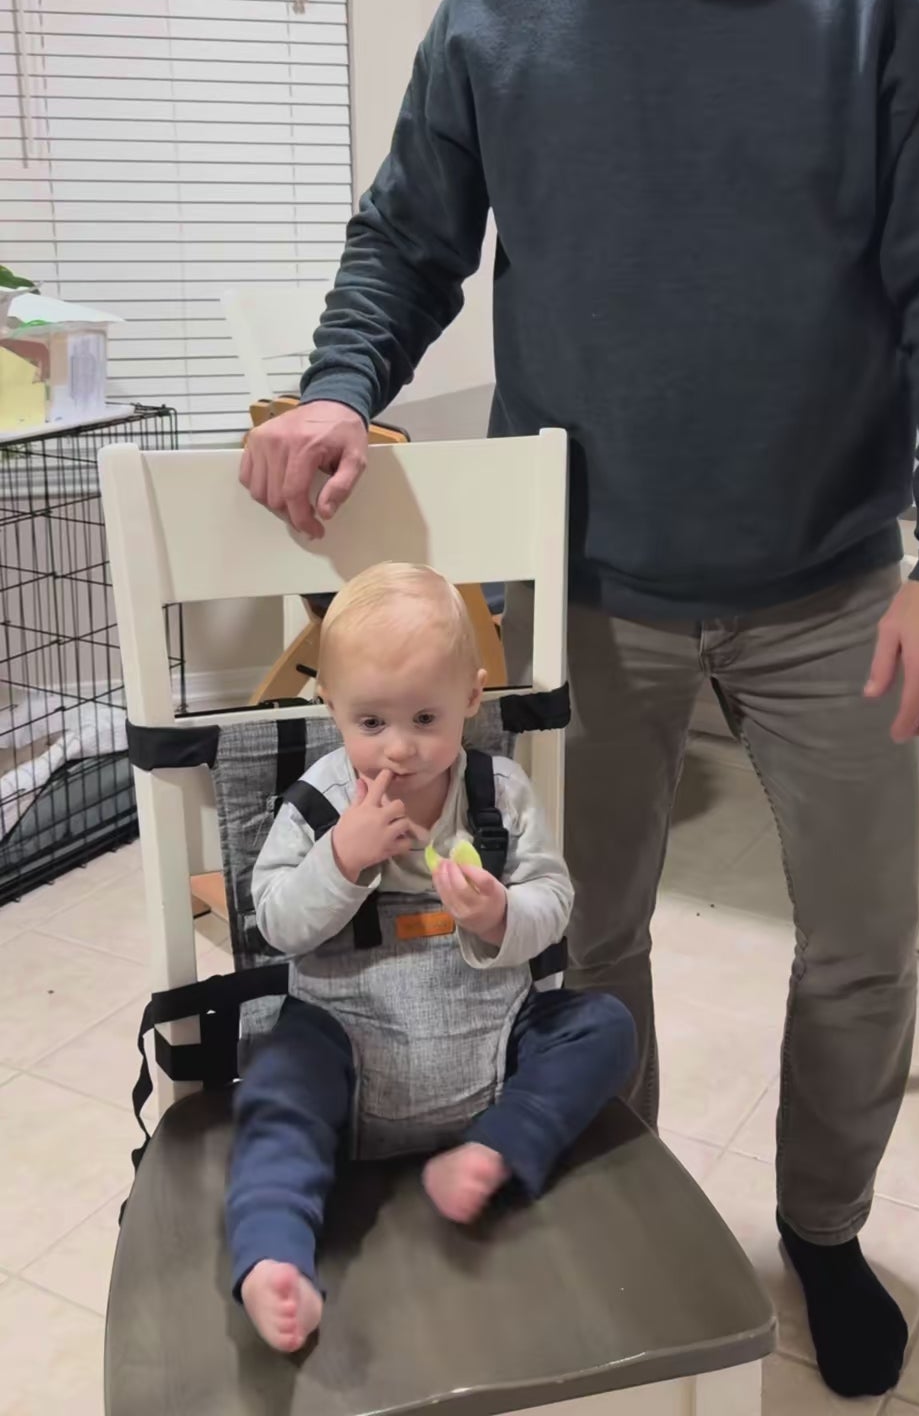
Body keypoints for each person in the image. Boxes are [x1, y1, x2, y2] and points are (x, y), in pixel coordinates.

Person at [238, 0, 919, 1395]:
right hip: (585, 583)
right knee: (579, 941)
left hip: (838, 585)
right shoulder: (499, 14)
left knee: (861, 945)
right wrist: (342, 386)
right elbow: (406, 242)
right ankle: (630, 1207)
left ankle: (821, 1230)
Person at [227, 562, 636, 1353]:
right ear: (330, 705)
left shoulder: (499, 793)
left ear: (471, 699)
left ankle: (495, 1147)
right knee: (274, 1089)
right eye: (370, 721)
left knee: (604, 1026)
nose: (400, 747)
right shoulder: (318, 801)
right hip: (345, 1043)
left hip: (492, 1042)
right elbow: (273, 922)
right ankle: (274, 1255)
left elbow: (554, 899)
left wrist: (500, 914)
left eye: (424, 717)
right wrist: (341, 860)